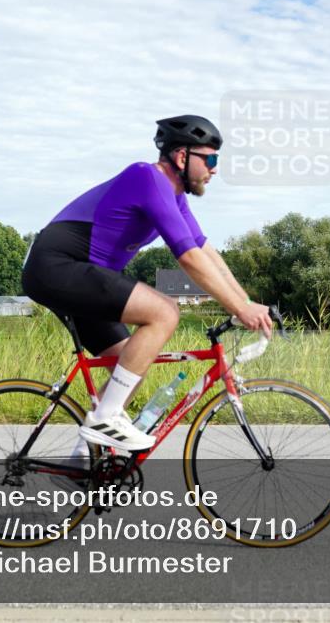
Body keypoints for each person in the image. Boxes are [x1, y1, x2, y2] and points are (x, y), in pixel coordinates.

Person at [21, 115, 272, 451]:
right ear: (183, 157)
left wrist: (248, 303)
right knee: (164, 312)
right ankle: (106, 419)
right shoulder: (146, 178)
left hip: (82, 276)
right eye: (210, 159)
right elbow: (188, 258)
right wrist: (239, 308)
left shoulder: (175, 197)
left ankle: (87, 458)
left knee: (132, 360)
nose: (215, 169)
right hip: (56, 266)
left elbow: (205, 251)